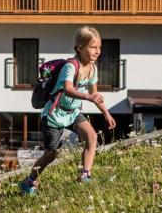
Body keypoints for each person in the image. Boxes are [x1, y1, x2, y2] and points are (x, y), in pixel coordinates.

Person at [19, 26, 116, 194]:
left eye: (99, 47)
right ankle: (29, 181)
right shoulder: (71, 67)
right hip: (54, 114)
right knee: (51, 154)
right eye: (93, 47)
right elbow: (67, 89)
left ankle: (85, 175)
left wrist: (106, 113)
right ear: (79, 48)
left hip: (72, 113)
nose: (97, 51)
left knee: (92, 136)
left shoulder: (92, 68)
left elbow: (94, 94)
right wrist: (88, 98)